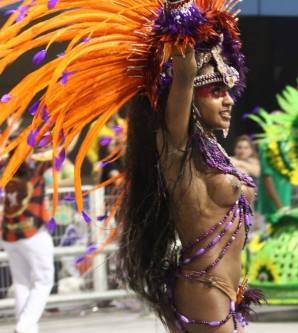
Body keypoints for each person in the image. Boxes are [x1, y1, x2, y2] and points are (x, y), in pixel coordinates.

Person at [0, 0, 261, 332]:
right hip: (204, 287)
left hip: (229, 290)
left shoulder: (213, 154)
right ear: (190, 100)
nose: (228, 99)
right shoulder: (177, 151)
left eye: (229, 90)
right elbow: (184, 75)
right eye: (215, 90)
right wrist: (183, 32)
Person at [1, 156, 54, 333]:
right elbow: (57, 155)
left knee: (21, 282)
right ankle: (25, 325)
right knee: (44, 280)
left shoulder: (6, 173)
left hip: (10, 235)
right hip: (32, 233)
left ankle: (26, 327)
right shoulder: (34, 171)